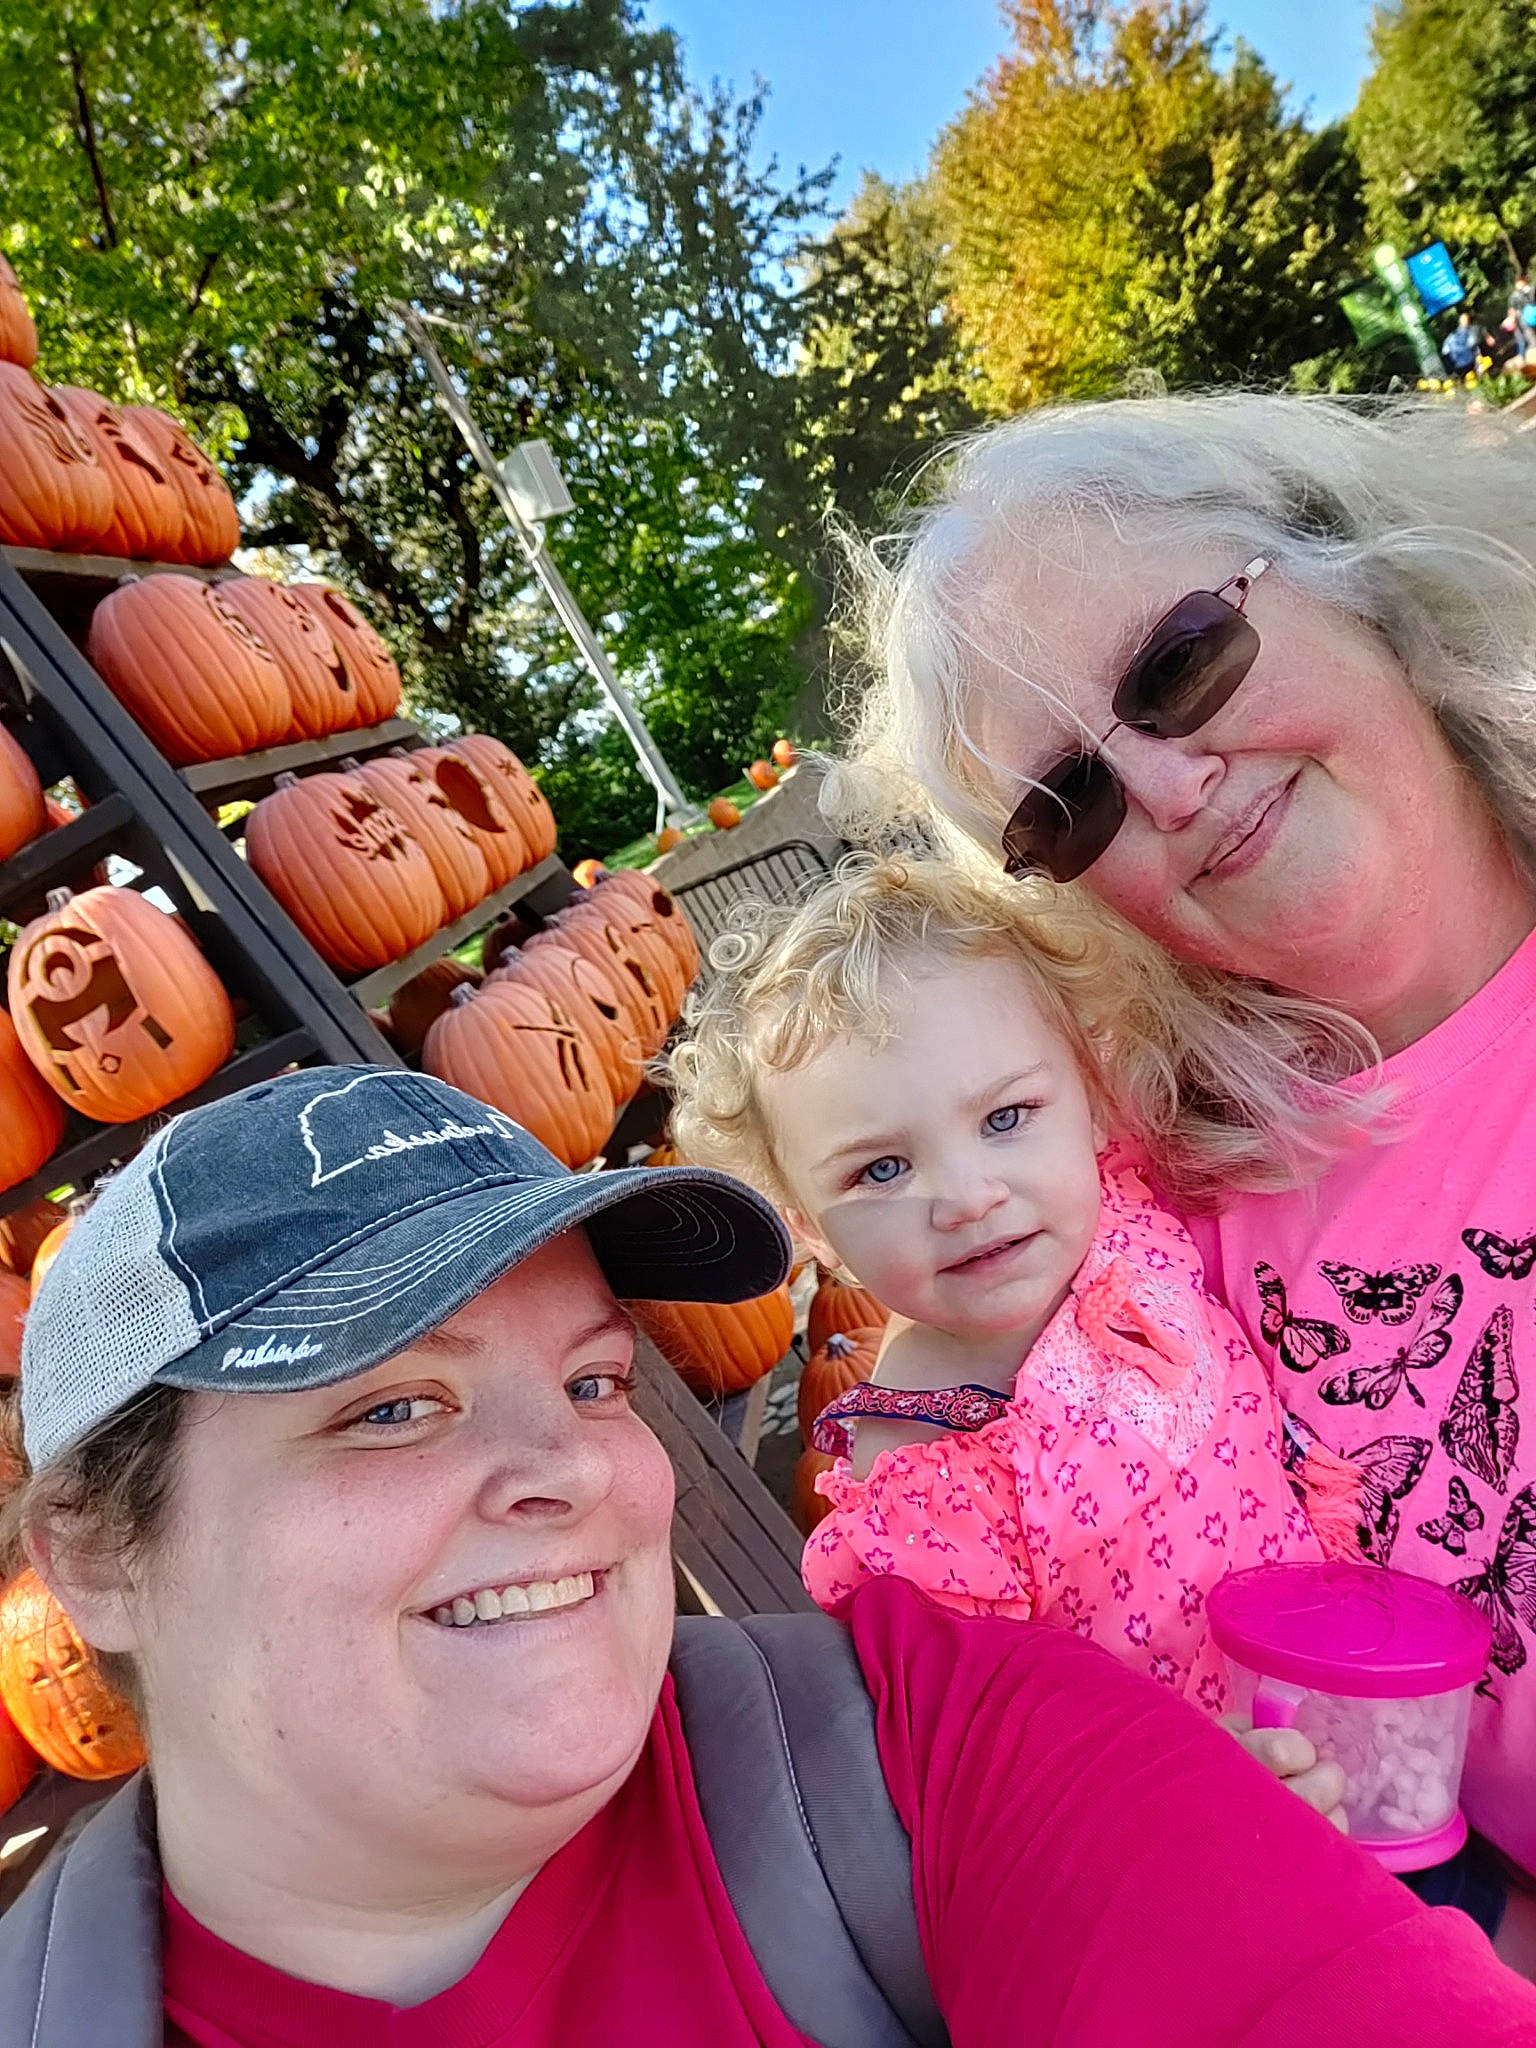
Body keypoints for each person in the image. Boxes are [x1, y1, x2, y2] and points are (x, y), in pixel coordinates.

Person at [3, 1066, 1535, 2046]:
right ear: (95, 1551)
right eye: (397, 1408)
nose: (572, 1471)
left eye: (597, 1381)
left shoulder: (914, 1750)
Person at [831, 388, 1536, 1947]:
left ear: (1356, 572)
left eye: (1177, 664)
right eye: (1066, 804)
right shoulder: (1150, 1198)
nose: (1164, 789)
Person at [667, 853, 1352, 1728]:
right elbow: (994, 1736)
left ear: (1092, 1094)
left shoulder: (1124, 1216)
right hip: (1202, 1808)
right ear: (804, 1224)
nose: (967, 1197)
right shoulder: (924, 1469)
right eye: (881, 1168)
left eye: (1005, 1118)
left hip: (1350, 1669)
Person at [1442, 311, 1482, 377]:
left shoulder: (1449, 338)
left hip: (1458, 367)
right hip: (1469, 364)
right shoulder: (1471, 331)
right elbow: (1474, 345)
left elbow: (1445, 352)